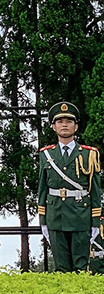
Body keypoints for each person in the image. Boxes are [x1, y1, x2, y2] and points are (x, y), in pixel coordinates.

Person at [38, 102, 101, 272]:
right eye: (60, 121)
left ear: (76, 126)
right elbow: (42, 190)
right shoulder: (46, 154)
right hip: (55, 216)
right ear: (53, 126)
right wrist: (43, 221)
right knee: (61, 268)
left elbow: (95, 190)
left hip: (81, 216)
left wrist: (95, 222)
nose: (64, 125)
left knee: (81, 266)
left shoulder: (89, 154)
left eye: (68, 121)